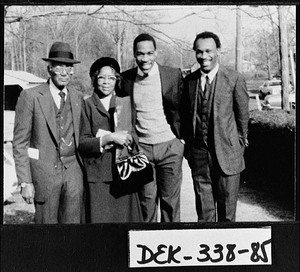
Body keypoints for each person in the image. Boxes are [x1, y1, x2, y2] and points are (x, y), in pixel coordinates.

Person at [13, 41, 84, 224]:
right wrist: (25, 182)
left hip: (73, 174)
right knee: (46, 233)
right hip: (44, 175)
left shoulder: (77, 97)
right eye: (59, 66)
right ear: (49, 68)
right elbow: (20, 143)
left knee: (72, 232)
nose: (64, 72)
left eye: (68, 67)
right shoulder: (31, 97)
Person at [181, 31, 249, 222]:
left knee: (227, 214)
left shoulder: (234, 78)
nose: (204, 56)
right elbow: (186, 118)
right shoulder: (190, 81)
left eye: (209, 51)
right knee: (204, 214)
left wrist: (237, 147)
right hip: (199, 156)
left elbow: (242, 118)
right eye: (199, 52)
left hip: (227, 156)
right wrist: (191, 150)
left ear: (218, 51)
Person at [120, 33, 184, 223]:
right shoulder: (126, 80)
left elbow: (184, 108)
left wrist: (181, 140)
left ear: (156, 53)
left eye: (149, 53)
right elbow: (123, 115)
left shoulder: (173, 75)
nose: (145, 59)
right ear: (134, 54)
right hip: (142, 150)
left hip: (169, 147)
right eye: (140, 54)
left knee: (170, 204)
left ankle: (171, 247)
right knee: (146, 205)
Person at [78, 57, 143, 223]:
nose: (106, 82)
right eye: (101, 77)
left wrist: (128, 139)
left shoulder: (124, 103)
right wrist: (107, 139)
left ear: (117, 80)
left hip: (123, 174)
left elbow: (135, 136)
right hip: (98, 177)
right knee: (101, 225)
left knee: (125, 224)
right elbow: (82, 143)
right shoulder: (86, 105)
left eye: (111, 78)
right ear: (94, 79)